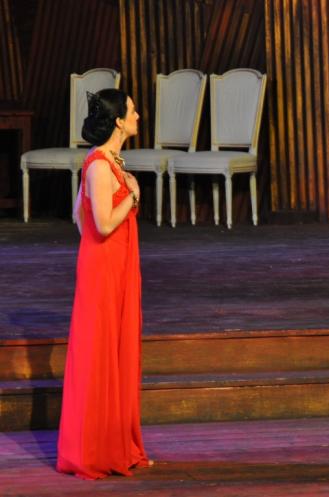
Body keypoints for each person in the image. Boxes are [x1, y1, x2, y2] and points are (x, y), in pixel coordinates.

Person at [57, 88, 152, 478]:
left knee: (116, 350)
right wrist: (133, 195)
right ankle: (96, 450)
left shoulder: (110, 161)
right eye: (132, 110)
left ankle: (117, 443)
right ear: (118, 121)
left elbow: (78, 216)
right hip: (104, 270)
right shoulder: (98, 165)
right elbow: (101, 223)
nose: (137, 116)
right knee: (100, 353)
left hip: (116, 266)